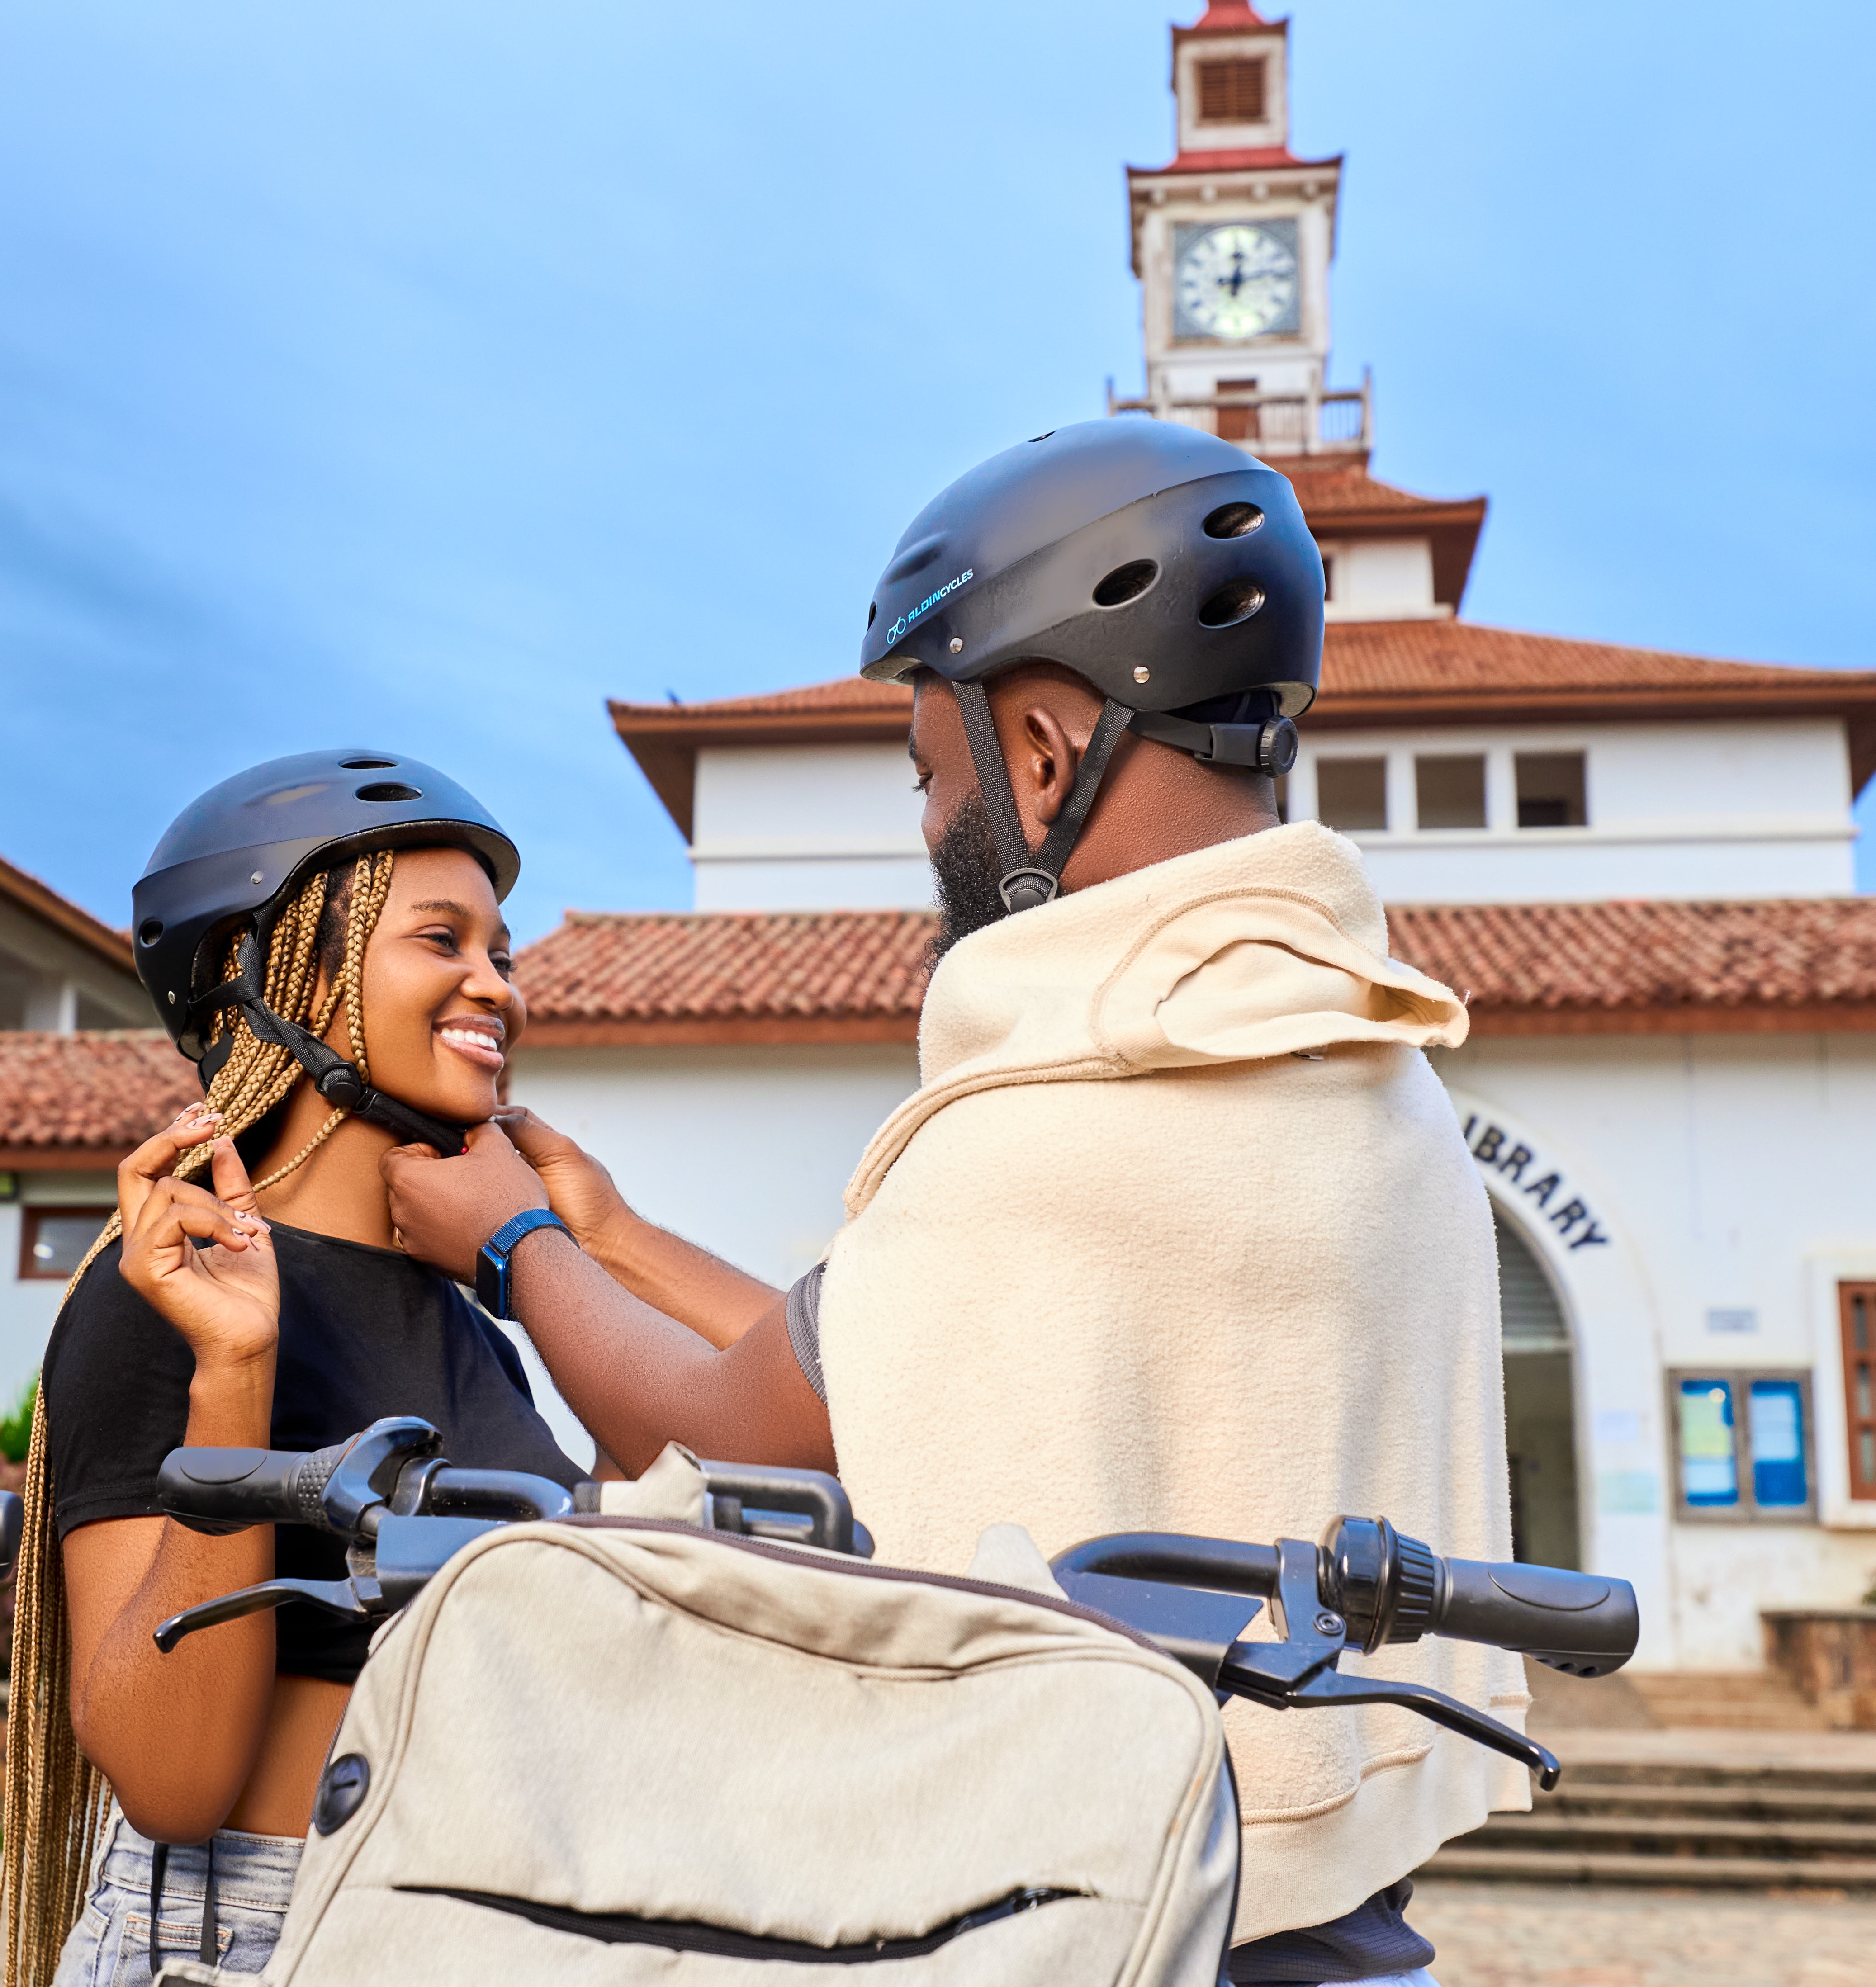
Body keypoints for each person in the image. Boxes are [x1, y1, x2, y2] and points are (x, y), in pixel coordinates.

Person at [382, 420, 1524, 1986]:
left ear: (1046, 753)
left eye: (930, 771)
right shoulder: (1370, 1075)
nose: (928, 828)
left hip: (1114, 1929)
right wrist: (619, 1232)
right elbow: (889, 1366)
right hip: (1347, 1926)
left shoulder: (1082, 1109)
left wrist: (511, 1242)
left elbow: (714, 1428)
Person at [0, 751, 580, 1987]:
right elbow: (172, 1780)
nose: (497, 987)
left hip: (472, 1920)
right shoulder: (160, 1298)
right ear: (289, 977)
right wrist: (237, 1367)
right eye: (445, 940)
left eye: (504, 955)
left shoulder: (477, 1325)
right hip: (248, 1933)